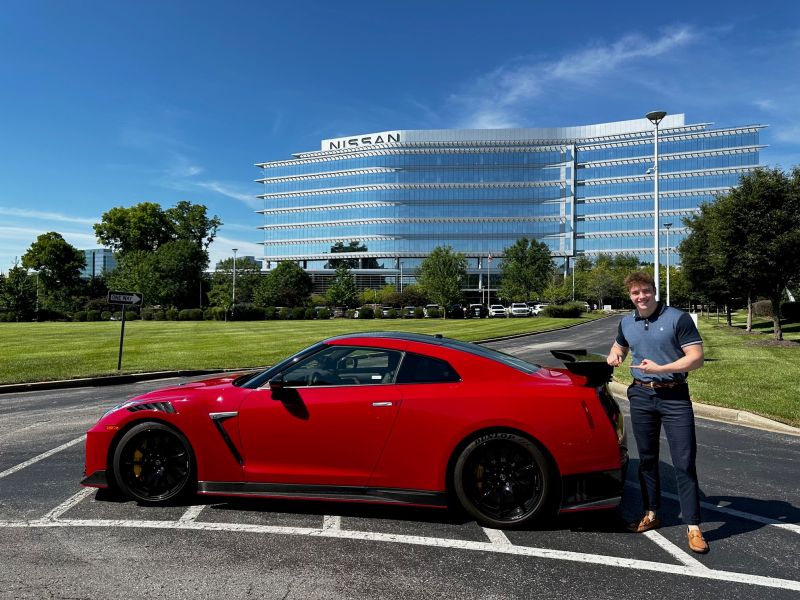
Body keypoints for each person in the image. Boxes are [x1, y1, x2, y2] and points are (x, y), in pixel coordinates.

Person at [606, 270, 709, 553]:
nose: (641, 297)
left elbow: (696, 359)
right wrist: (614, 355)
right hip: (640, 395)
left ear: (654, 290)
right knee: (648, 459)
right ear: (630, 296)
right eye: (635, 293)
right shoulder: (627, 322)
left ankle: (693, 526)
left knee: (684, 461)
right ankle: (651, 513)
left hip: (674, 395)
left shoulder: (677, 318)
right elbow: (619, 347)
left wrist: (661, 369)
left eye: (646, 291)